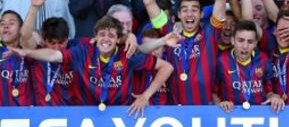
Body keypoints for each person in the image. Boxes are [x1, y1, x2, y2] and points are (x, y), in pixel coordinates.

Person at [10, 15, 174, 116]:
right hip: (86, 116)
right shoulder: (81, 52)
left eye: (111, 35)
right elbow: (53, 55)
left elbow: (167, 67)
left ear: (118, 39)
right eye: (102, 34)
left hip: (121, 117)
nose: (106, 39)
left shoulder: (127, 55)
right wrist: (27, 53)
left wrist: (146, 96)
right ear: (95, 37)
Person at [143, 0, 227, 105]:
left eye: (194, 10)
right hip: (176, 111)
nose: (189, 14)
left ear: (201, 14)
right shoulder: (169, 32)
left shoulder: (210, 33)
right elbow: (148, 1)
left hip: (204, 111)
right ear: (179, 14)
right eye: (185, 10)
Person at [215, 20, 284, 113]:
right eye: (241, 40)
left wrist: (274, 97)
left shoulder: (263, 59)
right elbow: (212, 92)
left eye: (250, 41)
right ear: (232, 40)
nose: (245, 46)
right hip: (231, 116)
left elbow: (269, 91)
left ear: (255, 43)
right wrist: (220, 104)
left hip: (259, 117)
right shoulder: (221, 61)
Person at [0, 10, 32, 106]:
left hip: (27, 116)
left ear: (20, 29)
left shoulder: (30, 53)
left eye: (11, 23)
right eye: (2, 24)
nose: (5, 26)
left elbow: (28, 35)